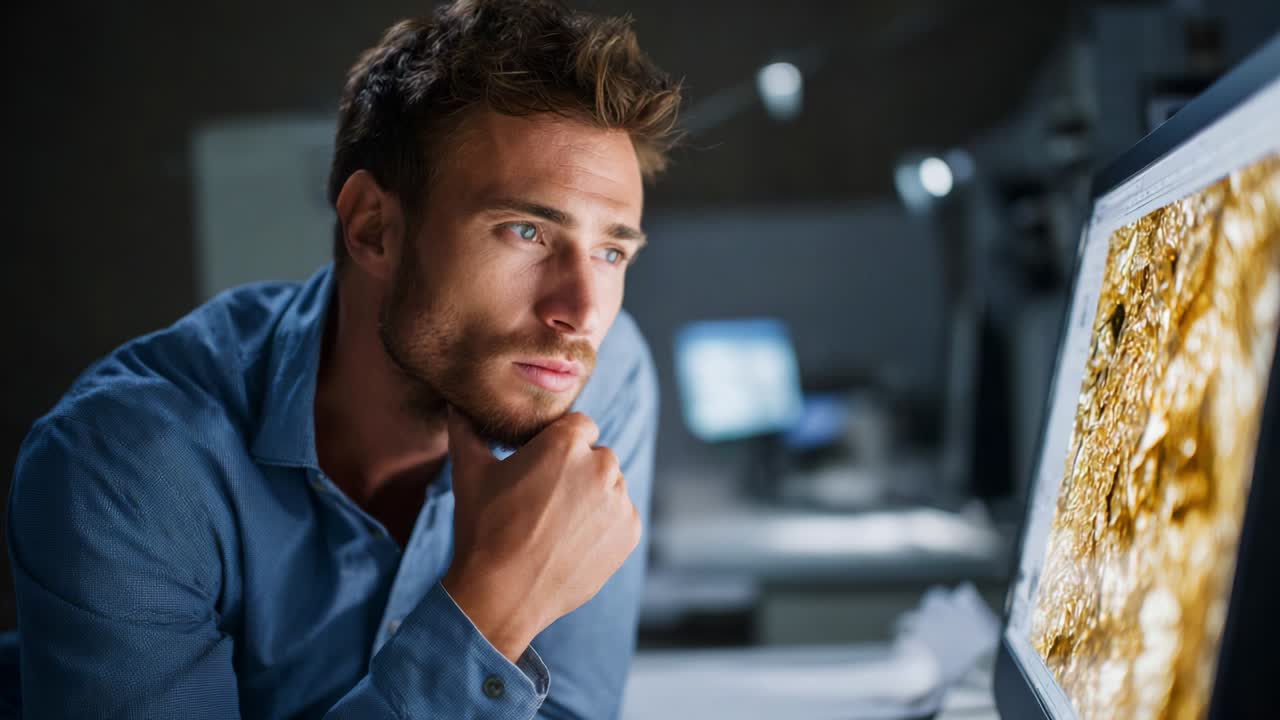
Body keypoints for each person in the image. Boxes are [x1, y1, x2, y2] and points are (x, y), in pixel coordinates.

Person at [4, 0, 682, 716]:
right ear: (374, 228)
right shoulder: (125, 466)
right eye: (526, 231)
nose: (581, 312)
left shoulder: (605, 377)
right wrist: (489, 610)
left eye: (611, 251)